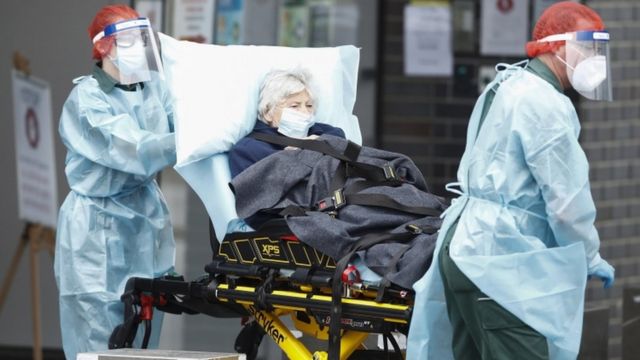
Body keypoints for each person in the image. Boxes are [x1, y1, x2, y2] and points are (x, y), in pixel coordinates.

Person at [407, 2, 614, 359]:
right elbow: (567, 203)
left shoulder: (509, 84)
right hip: (499, 263)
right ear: (557, 46)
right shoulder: (544, 103)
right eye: (588, 47)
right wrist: (589, 254)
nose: (595, 59)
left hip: (468, 250)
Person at [54, 5, 176, 359]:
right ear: (104, 47)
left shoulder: (155, 90)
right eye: (129, 40)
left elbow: (182, 120)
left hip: (142, 217)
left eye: (143, 39)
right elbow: (132, 147)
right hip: (95, 227)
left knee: (145, 329)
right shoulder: (87, 99)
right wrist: (187, 138)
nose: (139, 47)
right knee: (96, 331)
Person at [228, 68, 345, 177]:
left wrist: (318, 143)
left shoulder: (321, 131)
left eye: (309, 106)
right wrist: (296, 156)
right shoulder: (248, 150)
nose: (305, 112)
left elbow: (342, 141)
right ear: (268, 112)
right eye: (294, 106)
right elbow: (256, 194)